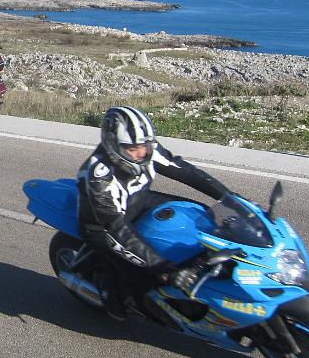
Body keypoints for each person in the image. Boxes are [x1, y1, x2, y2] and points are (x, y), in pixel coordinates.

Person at [76, 105, 231, 320]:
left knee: (199, 213)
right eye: (133, 148)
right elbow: (116, 229)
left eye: (145, 145)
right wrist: (164, 268)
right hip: (103, 225)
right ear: (113, 147)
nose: (142, 152)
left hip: (140, 200)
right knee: (144, 277)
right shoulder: (99, 176)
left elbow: (184, 171)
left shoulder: (147, 149)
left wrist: (230, 197)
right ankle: (108, 287)